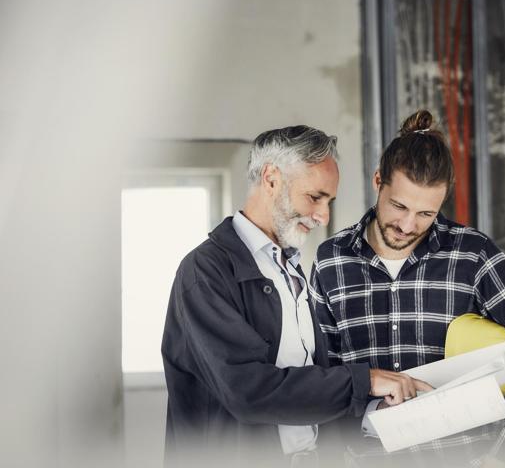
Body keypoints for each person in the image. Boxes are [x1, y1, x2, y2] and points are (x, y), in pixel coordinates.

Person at [161, 125, 430, 467]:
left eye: (329, 201)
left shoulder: (289, 271)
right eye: (315, 197)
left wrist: (374, 408)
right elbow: (247, 391)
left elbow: (302, 390)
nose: (323, 216)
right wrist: (366, 381)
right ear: (271, 179)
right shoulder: (205, 271)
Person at [310, 111, 505, 467]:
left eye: (426, 214)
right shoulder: (331, 261)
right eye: (399, 206)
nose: (408, 225)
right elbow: (325, 374)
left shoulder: (473, 254)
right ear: (378, 180)